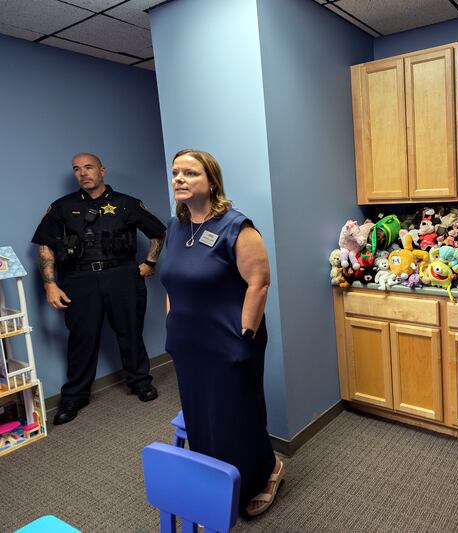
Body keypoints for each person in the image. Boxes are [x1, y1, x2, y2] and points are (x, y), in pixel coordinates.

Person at [159, 149, 283, 517]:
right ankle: (216, 481)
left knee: (236, 415)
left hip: (230, 342)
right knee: (201, 414)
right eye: (176, 172)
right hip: (188, 343)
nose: (180, 179)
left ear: (211, 181)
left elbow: (258, 283)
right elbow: (172, 283)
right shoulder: (175, 227)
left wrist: (244, 335)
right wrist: (172, 324)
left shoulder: (236, 227)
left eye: (190, 173)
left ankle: (264, 474)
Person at [32, 153, 166, 425]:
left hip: (122, 276)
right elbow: (45, 246)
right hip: (79, 281)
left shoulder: (126, 204)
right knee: (82, 339)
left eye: (89, 167)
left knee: (130, 332)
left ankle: (140, 382)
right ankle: (75, 396)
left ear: (102, 170)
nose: (83, 173)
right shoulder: (61, 207)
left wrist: (149, 262)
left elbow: (157, 232)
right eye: (77, 169)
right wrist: (50, 284)